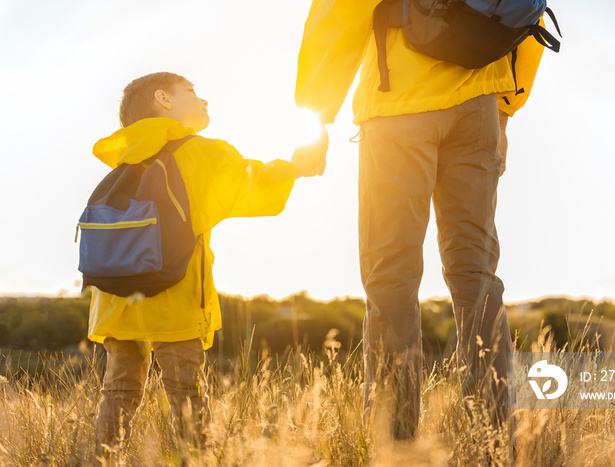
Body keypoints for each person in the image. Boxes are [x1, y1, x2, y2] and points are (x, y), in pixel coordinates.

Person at [295, 1, 546, 440]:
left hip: (397, 105)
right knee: (477, 275)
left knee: (391, 275)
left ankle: (395, 442)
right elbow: (528, 12)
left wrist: (316, 115)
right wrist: (505, 107)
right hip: (478, 106)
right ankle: (492, 435)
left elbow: (339, 14)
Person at [87, 71, 325, 461]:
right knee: (184, 390)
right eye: (193, 92)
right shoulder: (199, 152)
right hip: (173, 292)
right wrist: (297, 167)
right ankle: (196, 460)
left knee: (118, 390)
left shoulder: (125, 155)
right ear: (163, 99)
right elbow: (253, 183)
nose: (205, 100)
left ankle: (101, 460)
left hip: (115, 295)